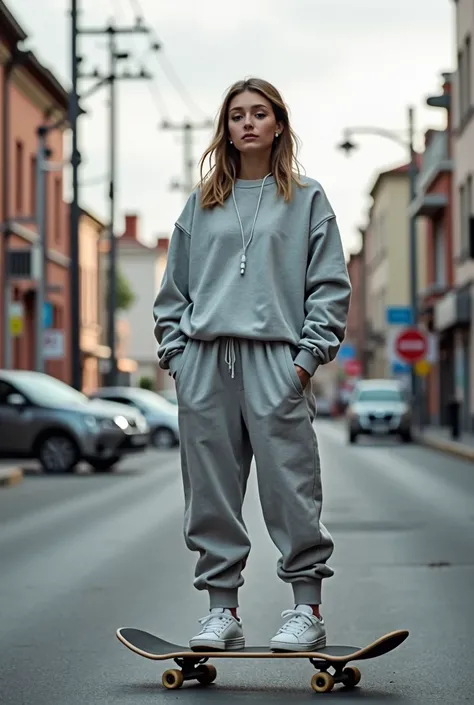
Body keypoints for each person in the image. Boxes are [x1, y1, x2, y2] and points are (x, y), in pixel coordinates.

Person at [153, 77, 351, 652]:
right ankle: (222, 613)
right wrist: (177, 357)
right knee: (211, 491)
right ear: (227, 130)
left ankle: (306, 608)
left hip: (277, 360)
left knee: (292, 487)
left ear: (278, 125)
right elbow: (174, 292)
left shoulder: (308, 198)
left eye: (258, 113)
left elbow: (330, 286)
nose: (247, 123)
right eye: (236, 115)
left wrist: (306, 360)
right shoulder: (202, 203)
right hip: (206, 361)